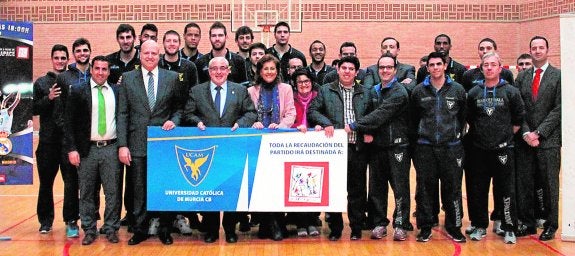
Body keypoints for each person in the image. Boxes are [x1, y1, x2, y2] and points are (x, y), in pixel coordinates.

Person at [183, 56, 257, 243]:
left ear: (229, 70)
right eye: (214, 68)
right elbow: (188, 114)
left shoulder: (240, 90)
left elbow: (251, 113)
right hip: (206, 151)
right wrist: (196, 122)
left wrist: (240, 124)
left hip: (232, 150)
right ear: (208, 71)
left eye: (223, 68)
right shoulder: (196, 91)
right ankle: (211, 230)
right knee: (210, 190)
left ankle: (230, 229)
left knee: (231, 189)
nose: (218, 71)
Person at [117, 40, 182, 246]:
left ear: (159, 55)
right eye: (147, 53)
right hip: (136, 143)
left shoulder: (172, 78)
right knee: (138, 190)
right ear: (140, 54)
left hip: (163, 145)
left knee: (163, 187)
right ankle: (140, 229)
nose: (150, 56)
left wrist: (174, 120)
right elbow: (122, 113)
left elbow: (179, 108)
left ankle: (165, 228)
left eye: (154, 53)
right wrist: (122, 144)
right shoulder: (127, 79)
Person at [348, 53, 412, 241]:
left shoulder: (400, 92)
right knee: (376, 188)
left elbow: (380, 115)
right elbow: (368, 112)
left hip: (397, 147)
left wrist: (354, 126)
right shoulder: (373, 91)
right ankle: (379, 223)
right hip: (376, 147)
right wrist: (367, 132)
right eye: (382, 67)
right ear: (378, 69)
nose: (385, 70)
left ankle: (400, 224)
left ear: (395, 70)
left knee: (400, 187)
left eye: (389, 67)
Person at [308, 56, 371, 241]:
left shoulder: (366, 92)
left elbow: (373, 116)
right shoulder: (326, 90)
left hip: (356, 148)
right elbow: (313, 111)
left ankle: (356, 228)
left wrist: (368, 131)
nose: (347, 71)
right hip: (334, 150)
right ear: (337, 69)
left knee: (357, 191)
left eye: (351, 69)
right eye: (344, 68)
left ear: (356, 72)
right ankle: (335, 228)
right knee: (334, 190)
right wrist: (325, 122)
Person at [465, 52, 524, 244]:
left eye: (493, 64)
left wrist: (503, 137)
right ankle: (480, 226)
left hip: (503, 150)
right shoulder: (473, 93)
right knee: (478, 190)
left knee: (506, 190)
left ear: (500, 68)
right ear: (481, 68)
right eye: (486, 65)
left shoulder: (510, 92)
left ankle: (509, 228)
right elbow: (469, 119)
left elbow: (517, 120)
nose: (489, 68)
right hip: (479, 150)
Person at [63, 56, 122, 245]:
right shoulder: (78, 91)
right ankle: (89, 228)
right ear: (91, 69)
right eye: (97, 68)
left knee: (112, 191)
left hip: (111, 148)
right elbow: (68, 123)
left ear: (109, 72)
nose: (100, 72)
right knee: (87, 192)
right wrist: (72, 149)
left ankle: (111, 227)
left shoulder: (117, 91)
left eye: (104, 69)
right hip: (87, 149)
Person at [411, 51, 467, 243]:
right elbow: (413, 119)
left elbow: (463, 118)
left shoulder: (458, 90)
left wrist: (454, 135)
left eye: (438, 64)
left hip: (451, 148)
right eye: (431, 65)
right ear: (427, 68)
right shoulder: (419, 91)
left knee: (453, 189)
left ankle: (454, 227)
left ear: (445, 66)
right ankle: (425, 227)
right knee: (425, 189)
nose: (435, 67)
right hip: (425, 147)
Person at [514, 36, 561, 241]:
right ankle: (528, 223)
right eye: (534, 48)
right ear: (530, 51)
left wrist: (539, 132)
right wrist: (525, 133)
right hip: (525, 142)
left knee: (549, 185)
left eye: (541, 47)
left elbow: (559, 109)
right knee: (525, 183)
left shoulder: (558, 76)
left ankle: (551, 224)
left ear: (547, 50)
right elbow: (518, 109)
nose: (538, 51)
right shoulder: (522, 77)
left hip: (548, 141)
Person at [247, 54, 296, 241]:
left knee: (278, 183)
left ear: (278, 71)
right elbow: (247, 112)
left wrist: (281, 126)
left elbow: (291, 112)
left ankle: (276, 221)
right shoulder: (251, 90)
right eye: (265, 69)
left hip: (279, 142)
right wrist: (254, 122)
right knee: (262, 182)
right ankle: (269, 222)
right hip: (258, 143)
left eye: (272, 69)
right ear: (260, 71)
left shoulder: (286, 89)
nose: (269, 72)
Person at [157, 29, 200, 236]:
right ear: (163, 43)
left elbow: (195, 95)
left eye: (175, 41)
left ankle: (184, 216)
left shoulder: (189, 67)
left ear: (179, 43)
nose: (172, 44)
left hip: (184, 126)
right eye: (168, 40)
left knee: (184, 173)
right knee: (164, 174)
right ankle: (160, 217)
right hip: (161, 127)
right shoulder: (156, 64)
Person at [53, 37, 93, 239]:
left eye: (85, 50)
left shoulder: (97, 74)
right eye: (78, 51)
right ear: (73, 54)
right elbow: (59, 113)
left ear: (90, 52)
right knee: (71, 184)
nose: (82, 53)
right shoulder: (64, 78)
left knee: (91, 184)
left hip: (92, 141)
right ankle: (71, 221)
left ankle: (91, 221)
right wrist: (70, 138)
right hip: (71, 143)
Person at [33, 44, 69, 234]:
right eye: (57, 57)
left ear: (68, 60)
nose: (60, 61)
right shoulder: (41, 83)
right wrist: (48, 98)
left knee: (70, 184)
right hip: (47, 142)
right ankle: (45, 221)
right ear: (52, 59)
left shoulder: (72, 80)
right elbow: (33, 109)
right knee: (46, 184)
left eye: (63, 58)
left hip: (67, 143)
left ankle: (70, 221)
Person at [289, 68, 322, 237]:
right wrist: (296, 128)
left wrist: (319, 125)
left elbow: (324, 115)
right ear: (295, 84)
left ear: (312, 82)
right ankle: (300, 223)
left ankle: (311, 220)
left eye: (306, 81)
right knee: (297, 183)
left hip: (315, 146)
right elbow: (286, 119)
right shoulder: (290, 98)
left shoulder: (319, 96)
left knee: (313, 183)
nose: (304, 84)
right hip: (294, 146)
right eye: (300, 82)